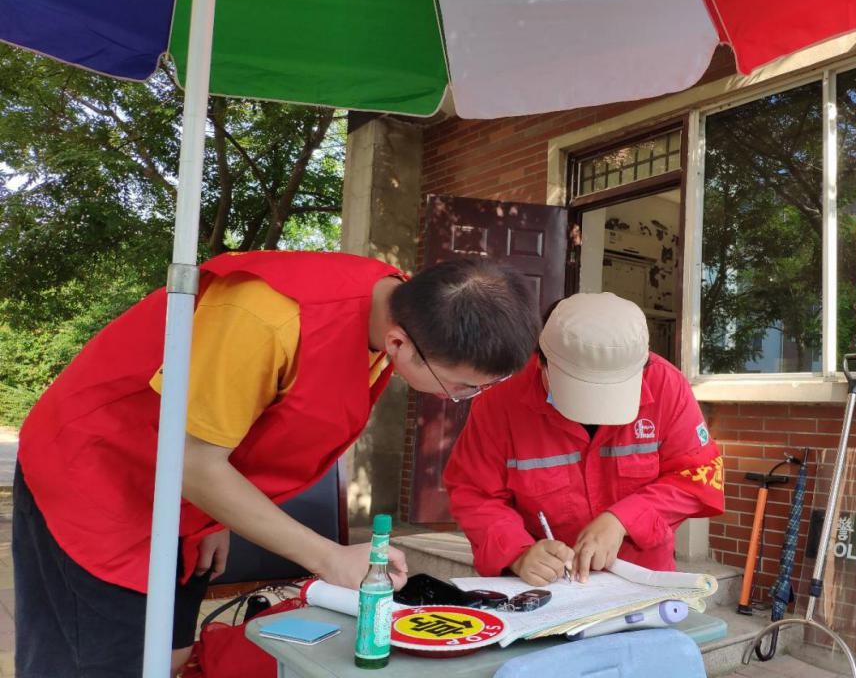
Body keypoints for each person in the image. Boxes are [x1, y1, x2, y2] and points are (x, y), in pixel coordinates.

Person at [13, 250, 541, 677]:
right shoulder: (267, 318)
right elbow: (193, 463)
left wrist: (214, 516)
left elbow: (227, 440)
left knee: (171, 652)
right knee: (103, 660)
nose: (462, 398)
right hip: (98, 471)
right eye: (463, 386)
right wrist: (329, 557)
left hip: (188, 493)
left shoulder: (401, 307)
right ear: (399, 343)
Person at [444, 292, 724, 587]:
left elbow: (697, 475)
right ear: (542, 362)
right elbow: (474, 493)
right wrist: (517, 552)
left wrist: (624, 519)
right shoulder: (500, 403)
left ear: (642, 367)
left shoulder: (667, 387)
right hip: (546, 583)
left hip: (641, 579)